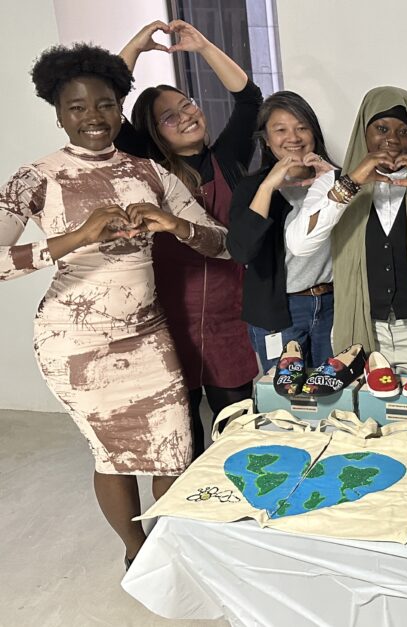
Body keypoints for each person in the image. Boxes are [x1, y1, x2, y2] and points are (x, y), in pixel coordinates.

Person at [0, 43, 228, 567]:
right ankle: (137, 553)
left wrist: (176, 224)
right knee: (115, 456)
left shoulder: (149, 172)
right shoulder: (36, 178)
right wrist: (74, 237)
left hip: (148, 334)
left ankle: (174, 548)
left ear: (119, 106)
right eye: (76, 107)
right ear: (58, 113)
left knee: (175, 448)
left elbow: (224, 242)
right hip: (74, 341)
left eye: (104, 104)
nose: (92, 117)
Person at [117, 19, 262, 454]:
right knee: (183, 435)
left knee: (236, 427)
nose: (186, 116)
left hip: (229, 313)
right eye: (169, 116)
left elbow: (248, 97)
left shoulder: (229, 157)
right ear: (152, 133)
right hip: (168, 313)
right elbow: (107, 103)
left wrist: (202, 47)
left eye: (188, 105)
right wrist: (135, 48)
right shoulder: (144, 164)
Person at [286, 86, 407, 372]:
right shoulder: (331, 183)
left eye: (403, 132)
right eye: (381, 129)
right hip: (357, 329)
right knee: (360, 417)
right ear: (364, 132)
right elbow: (299, 245)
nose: (392, 140)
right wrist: (352, 182)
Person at [227, 92, 338, 375]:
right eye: (280, 130)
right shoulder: (252, 188)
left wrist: (335, 181)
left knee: (335, 394)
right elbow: (241, 251)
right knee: (285, 400)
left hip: (332, 305)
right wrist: (268, 186)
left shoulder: (335, 181)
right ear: (266, 140)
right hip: (280, 312)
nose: (293, 137)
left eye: (302, 127)